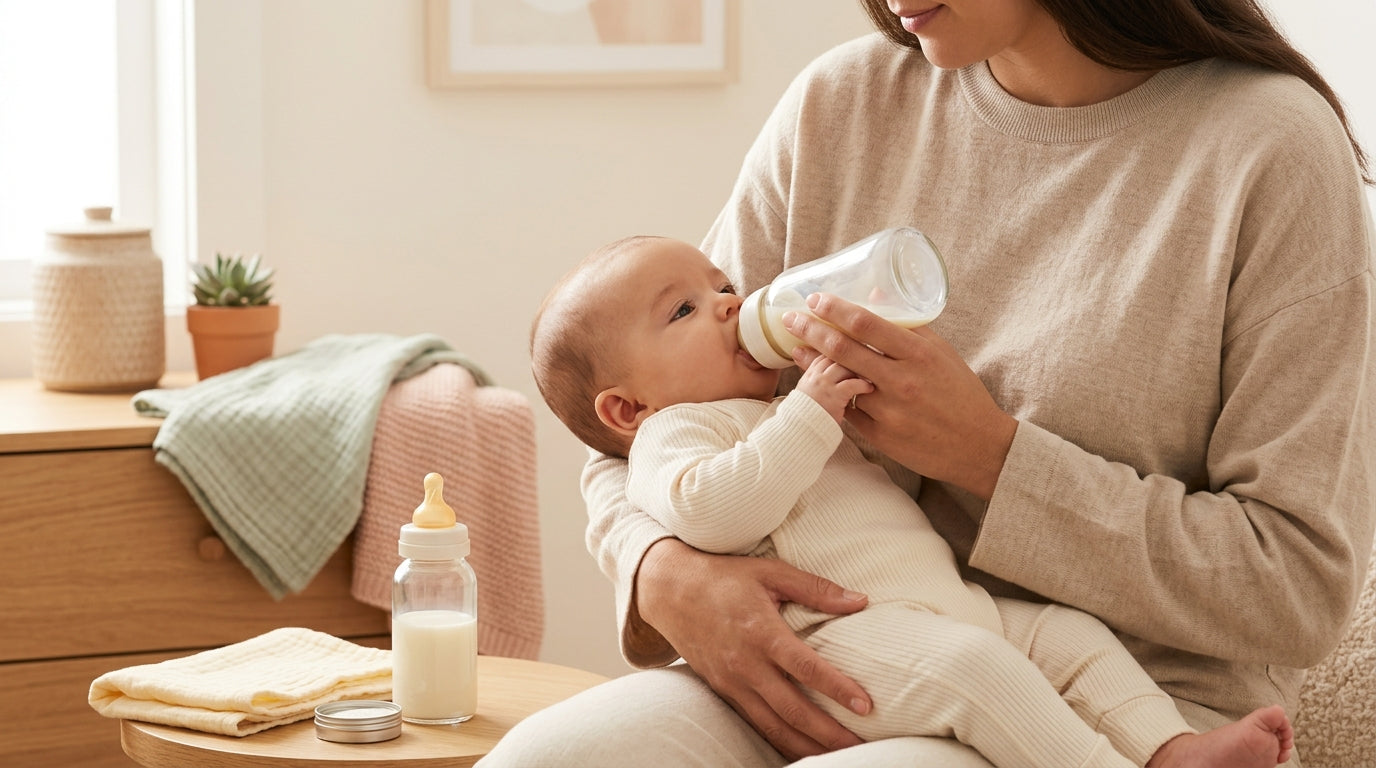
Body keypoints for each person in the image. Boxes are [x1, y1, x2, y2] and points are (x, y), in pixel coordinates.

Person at [482, 0, 1376, 765]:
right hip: (824, 648)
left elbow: (1295, 590)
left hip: (1124, 708)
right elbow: (639, 421)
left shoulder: (1269, 147)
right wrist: (660, 570)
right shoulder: (843, 104)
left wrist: (992, 459)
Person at [523, 233, 1296, 767]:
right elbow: (711, 511)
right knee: (974, 670)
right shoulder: (676, 432)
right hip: (839, 640)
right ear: (627, 411)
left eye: (722, 285)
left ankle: (1170, 747)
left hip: (946, 602)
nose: (730, 303)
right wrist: (807, 416)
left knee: (1072, 637)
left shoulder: (777, 401)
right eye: (685, 310)